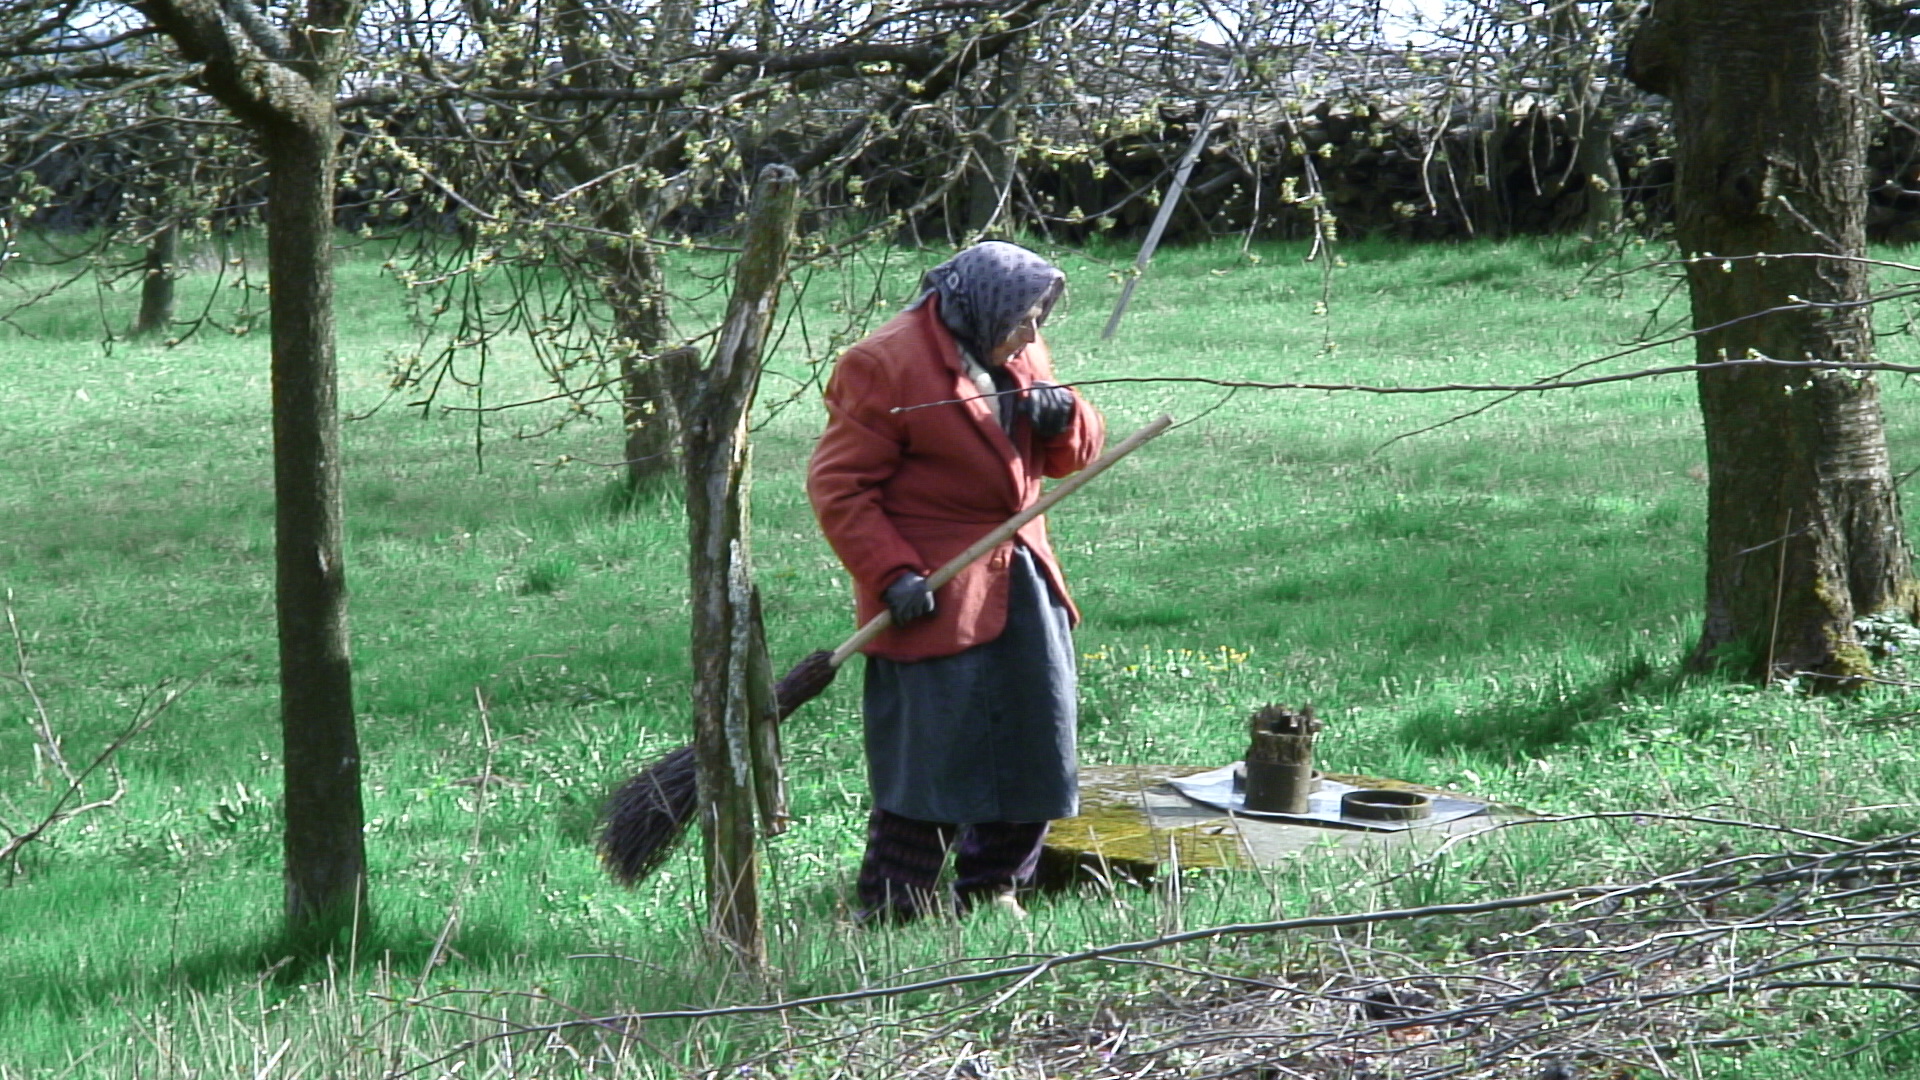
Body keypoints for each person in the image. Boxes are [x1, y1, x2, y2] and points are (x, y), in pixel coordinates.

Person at [807, 241, 1106, 923]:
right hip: (932, 591)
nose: (1034, 335)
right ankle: (895, 905)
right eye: (1026, 318)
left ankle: (995, 887)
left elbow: (1068, 458)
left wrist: (1069, 420)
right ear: (985, 305)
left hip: (1023, 575)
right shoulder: (884, 364)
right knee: (933, 752)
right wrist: (891, 574)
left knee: (1038, 740)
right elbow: (841, 486)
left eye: (1041, 320)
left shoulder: (1021, 351)